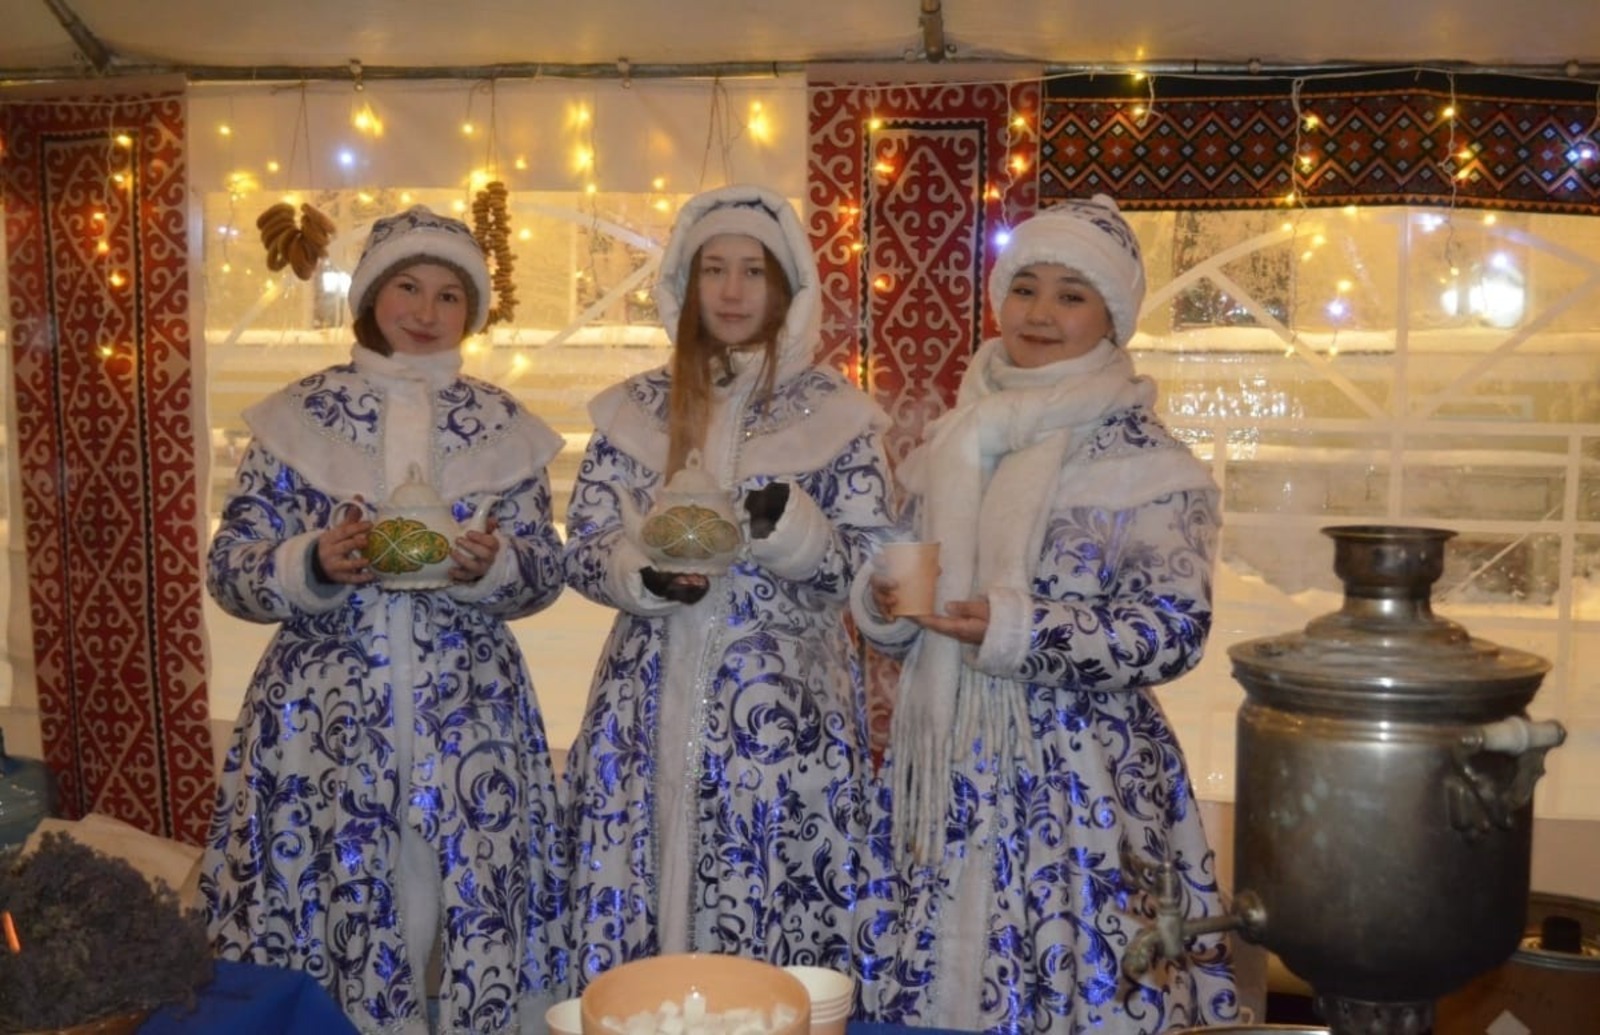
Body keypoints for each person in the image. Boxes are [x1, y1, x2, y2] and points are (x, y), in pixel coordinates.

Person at [852, 196, 1240, 1031]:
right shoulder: (953, 441)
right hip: (944, 761)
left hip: (1081, 778)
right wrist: (885, 603)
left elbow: (1173, 628)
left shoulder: (1150, 462)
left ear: (1112, 317)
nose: (1040, 312)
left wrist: (1017, 628)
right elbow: (907, 571)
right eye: (1026, 288)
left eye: (1071, 294)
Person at [200, 205, 570, 1034]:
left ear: (471, 310)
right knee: (326, 903)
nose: (425, 310)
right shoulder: (298, 415)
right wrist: (311, 561)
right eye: (407, 286)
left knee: (470, 906)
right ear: (370, 294)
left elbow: (547, 568)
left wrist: (493, 566)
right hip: (319, 724)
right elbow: (230, 567)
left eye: (449, 294)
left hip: (472, 719)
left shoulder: (503, 424)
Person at [559, 184, 896, 987]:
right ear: (688, 281)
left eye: (754, 271)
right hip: (640, 710)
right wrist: (639, 575)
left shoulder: (837, 415)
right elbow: (585, 543)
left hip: (782, 722)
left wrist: (794, 532)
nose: (734, 291)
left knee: (765, 911)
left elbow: (875, 568)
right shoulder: (637, 408)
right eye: (715, 269)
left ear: (787, 287)